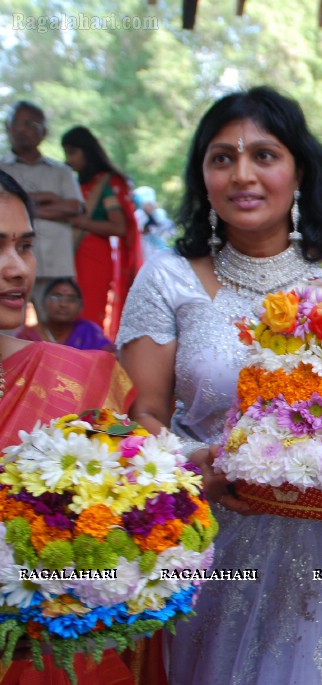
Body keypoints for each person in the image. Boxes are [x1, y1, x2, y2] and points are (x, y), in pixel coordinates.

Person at [116, 86, 322, 685]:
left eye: (264, 155)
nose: (243, 174)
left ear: (298, 170)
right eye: (222, 157)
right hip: (215, 536)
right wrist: (201, 464)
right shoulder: (168, 279)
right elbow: (140, 413)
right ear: (203, 177)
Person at [0, 170, 163, 685]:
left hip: (41, 657)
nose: (15, 267)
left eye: (24, 246)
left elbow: (130, 501)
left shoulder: (75, 376)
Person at [0, 101, 84, 317]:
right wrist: (49, 199)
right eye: (15, 123)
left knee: (57, 326)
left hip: (57, 264)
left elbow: (74, 207)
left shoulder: (62, 172)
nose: (20, 129)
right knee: (7, 330)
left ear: (43, 132)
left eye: (28, 123)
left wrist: (21, 206)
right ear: (7, 128)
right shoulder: (2, 169)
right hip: (7, 268)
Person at [61, 126, 142, 340]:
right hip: (67, 257)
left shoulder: (107, 183)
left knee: (88, 314)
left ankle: (87, 367)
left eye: (71, 152)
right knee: (63, 316)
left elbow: (119, 227)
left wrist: (82, 222)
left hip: (94, 258)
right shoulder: (72, 182)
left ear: (86, 150)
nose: (67, 159)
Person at [16, 277, 114, 351]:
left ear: (81, 306)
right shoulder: (27, 336)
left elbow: (107, 360)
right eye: (56, 297)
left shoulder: (89, 333)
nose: (63, 304)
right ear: (43, 303)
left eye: (71, 299)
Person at [134, 186, 176, 259]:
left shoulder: (158, 216)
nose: (150, 206)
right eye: (147, 203)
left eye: (151, 203)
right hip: (140, 259)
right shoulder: (137, 216)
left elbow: (172, 233)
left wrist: (162, 221)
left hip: (158, 259)